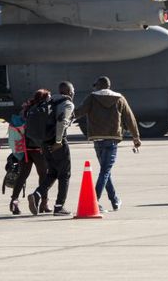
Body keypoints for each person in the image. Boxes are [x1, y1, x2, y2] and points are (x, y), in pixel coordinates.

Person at [74, 76, 141, 211]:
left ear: (98, 86)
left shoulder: (92, 97)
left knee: (105, 171)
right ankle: (95, 201)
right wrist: (136, 137)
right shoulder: (119, 98)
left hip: (97, 138)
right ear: (109, 86)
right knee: (105, 171)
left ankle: (114, 200)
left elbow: (79, 112)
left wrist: (65, 116)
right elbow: (130, 118)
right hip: (112, 139)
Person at [29, 82, 75, 216]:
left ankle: (36, 195)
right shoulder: (67, 103)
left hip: (44, 143)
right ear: (69, 92)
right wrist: (58, 141)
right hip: (58, 143)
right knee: (64, 175)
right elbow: (62, 122)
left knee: (52, 173)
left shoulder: (49, 101)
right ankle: (59, 206)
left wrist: (42, 144)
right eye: (73, 90)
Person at [14, 90, 51, 215]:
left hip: (25, 148)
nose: (50, 99)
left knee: (22, 176)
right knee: (44, 176)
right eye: (48, 97)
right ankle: (43, 203)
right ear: (43, 98)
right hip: (37, 149)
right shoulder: (42, 110)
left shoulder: (26, 109)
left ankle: (14, 203)